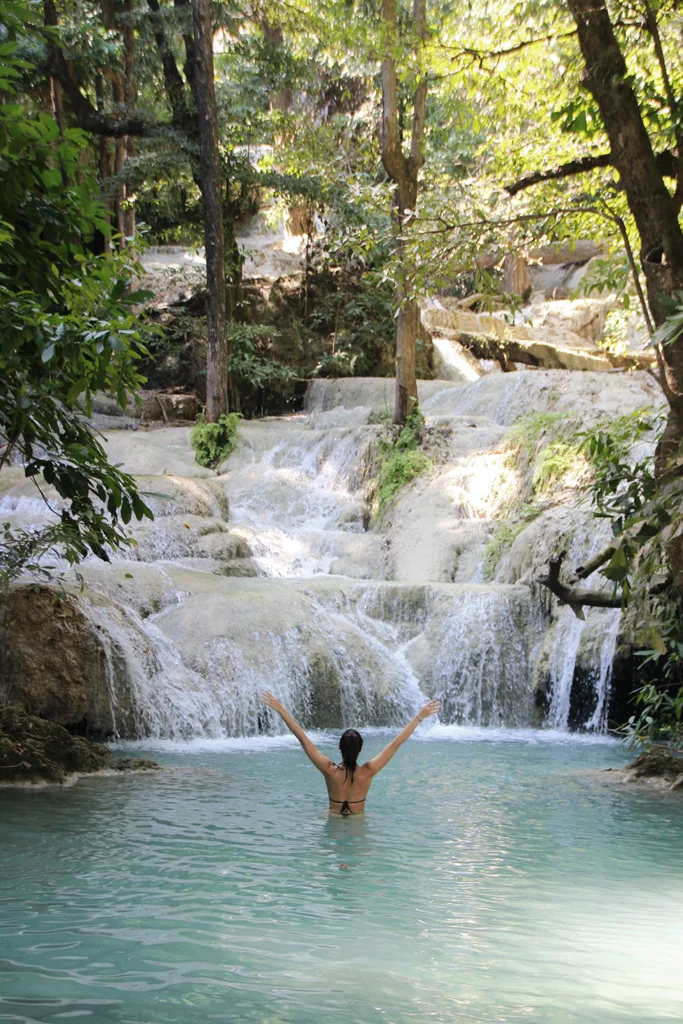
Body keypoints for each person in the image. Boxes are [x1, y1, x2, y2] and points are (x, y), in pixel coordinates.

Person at [262, 691, 441, 815]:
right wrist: (419, 717)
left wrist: (281, 709)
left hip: (334, 819)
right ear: (361, 749)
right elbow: (395, 744)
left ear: (340, 747)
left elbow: (302, 737)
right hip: (357, 821)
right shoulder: (368, 771)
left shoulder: (329, 770)